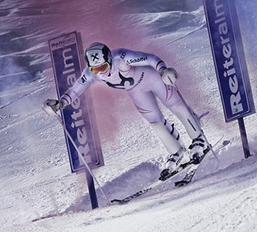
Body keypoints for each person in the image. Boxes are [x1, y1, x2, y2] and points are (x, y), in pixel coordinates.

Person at [45, 42, 208, 181]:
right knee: (155, 123)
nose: (100, 72)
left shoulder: (121, 58)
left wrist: (163, 70)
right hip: (136, 90)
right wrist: (60, 104)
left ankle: (199, 139)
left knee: (176, 106)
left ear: (109, 60)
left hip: (153, 79)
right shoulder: (90, 73)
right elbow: (75, 90)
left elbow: (149, 58)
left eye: (102, 67)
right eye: (95, 70)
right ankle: (177, 152)